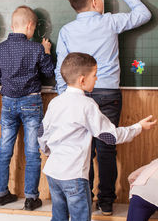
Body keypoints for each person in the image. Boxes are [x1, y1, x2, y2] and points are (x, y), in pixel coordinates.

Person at [54, 0, 152, 215]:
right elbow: (144, 15)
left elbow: (60, 68)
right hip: (108, 93)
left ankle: (84, 197)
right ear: (96, 2)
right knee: (107, 146)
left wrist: (64, 97)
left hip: (77, 94)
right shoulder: (109, 21)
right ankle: (106, 201)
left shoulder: (66, 31)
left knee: (82, 147)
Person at [39, 52, 156, 221]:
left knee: (58, 217)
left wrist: (47, 151)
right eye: (94, 75)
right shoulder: (87, 105)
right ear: (82, 80)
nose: (97, 78)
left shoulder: (56, 102)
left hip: (53, 173)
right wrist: (138, 127)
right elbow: (110, 136)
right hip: (73, 176)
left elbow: (42, 133)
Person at [0, 6, 54, 210]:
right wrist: (47, 51)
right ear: (30, 26)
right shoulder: (36, 49)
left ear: (12, 25)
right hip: (31, 103)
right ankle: (31, 198)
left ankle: (0, 194)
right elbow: (48, 71)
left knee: (4, 149)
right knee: (33, 151)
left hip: (8, 103)